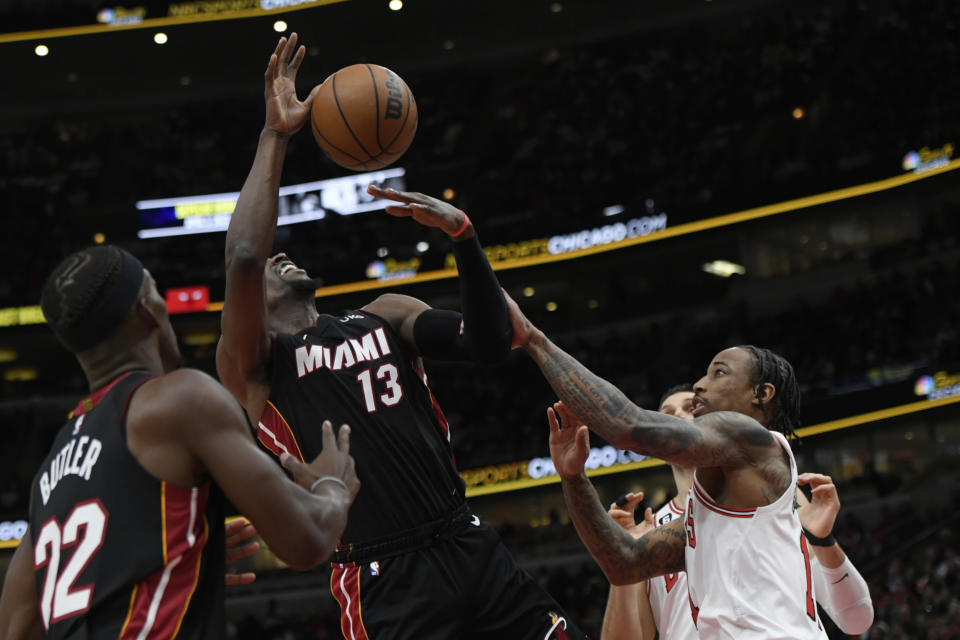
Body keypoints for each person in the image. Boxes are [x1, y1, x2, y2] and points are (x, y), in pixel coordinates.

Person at [215, 33, 586, 640]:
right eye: (270, 265)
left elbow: (489, 346)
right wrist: (276, 135)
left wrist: (465, 239)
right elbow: (246, 253)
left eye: (285, 256)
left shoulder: (386, 312)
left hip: (467, 543)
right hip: (383, 577)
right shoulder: (254, 363)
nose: (281, 257)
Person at [0, 245, 359, 640]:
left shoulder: (50, 470)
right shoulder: (179, 399)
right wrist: (333, 486)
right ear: (147, 309)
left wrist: (164, 563)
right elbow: (305, 540)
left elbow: (17, 627)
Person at [506, 290, 865, 638]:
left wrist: (535, 341)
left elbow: (626, 425)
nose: (698, 385)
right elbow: (626, 562)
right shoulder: (707, 513)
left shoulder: (751, 438)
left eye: (719, 373)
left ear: (762, 394)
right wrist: (573, 477)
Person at [601, 386, 873, 639]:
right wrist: (620, 557)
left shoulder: (770, 495)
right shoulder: (648, 531)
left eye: (689, 407)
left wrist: (822, 540)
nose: (679, 417)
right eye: (667, 415)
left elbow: (852, 614)